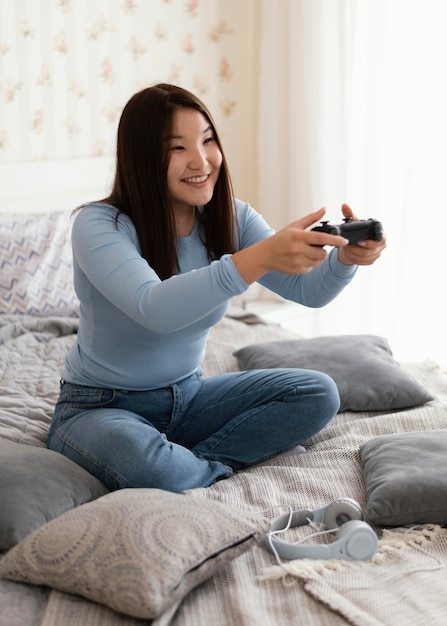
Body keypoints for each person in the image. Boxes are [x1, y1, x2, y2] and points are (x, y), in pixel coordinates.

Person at [47, 83, 386, 493]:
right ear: (142, 157)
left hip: (189, 397)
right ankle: (189, 468)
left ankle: (193, 466)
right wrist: (256, 258)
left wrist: (344, 261)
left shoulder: (230, 217)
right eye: (178, 148)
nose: (202, 160)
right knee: (157, 474)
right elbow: (154, 308)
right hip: (102, 407)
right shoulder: (99, 224)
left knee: (317, 392)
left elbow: (308, 292)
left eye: (208, 140)